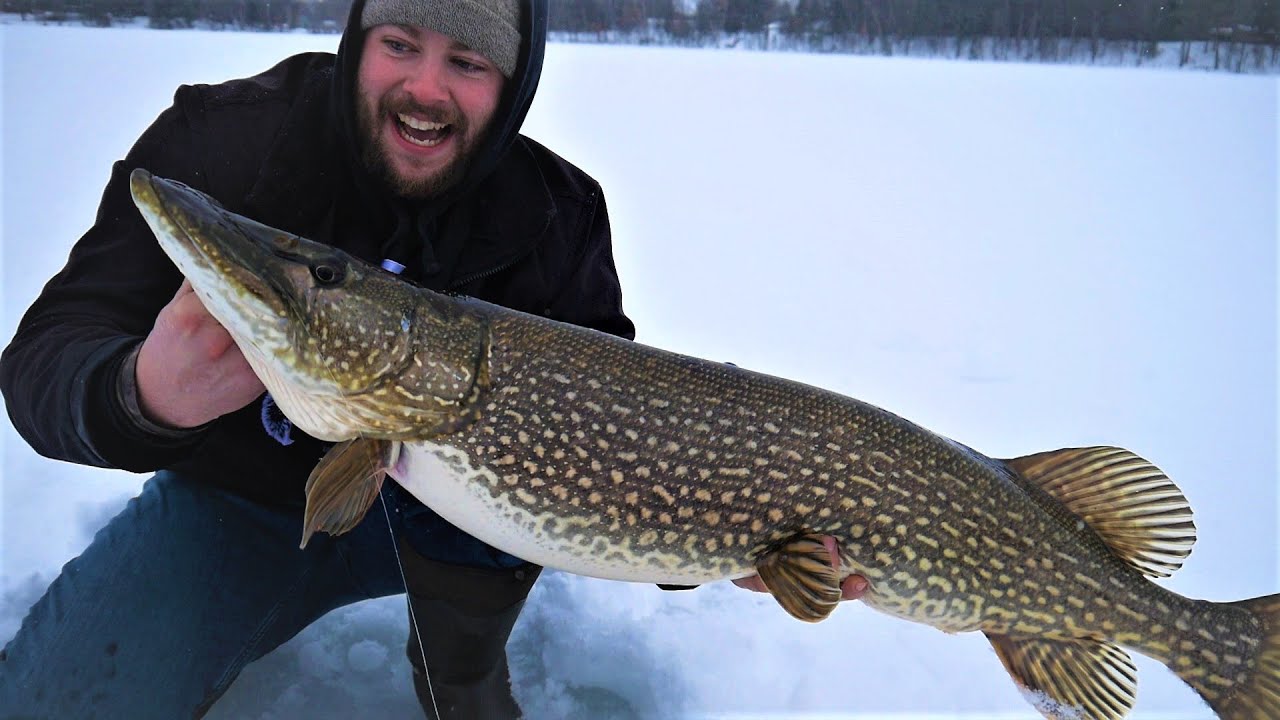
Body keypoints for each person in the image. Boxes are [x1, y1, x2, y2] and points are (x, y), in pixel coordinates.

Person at [0, 1, 866, 717]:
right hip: (240, 506)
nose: (425, 87)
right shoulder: (222, 146)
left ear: (511, 85)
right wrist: (140, 395)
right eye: (400, 44)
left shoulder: (558, 216)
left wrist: (743, 543)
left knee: (472, 643)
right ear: (359, 42)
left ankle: (458, 668)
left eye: (469, 61)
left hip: (471, 526)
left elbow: (630, 441)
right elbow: (46, 358)